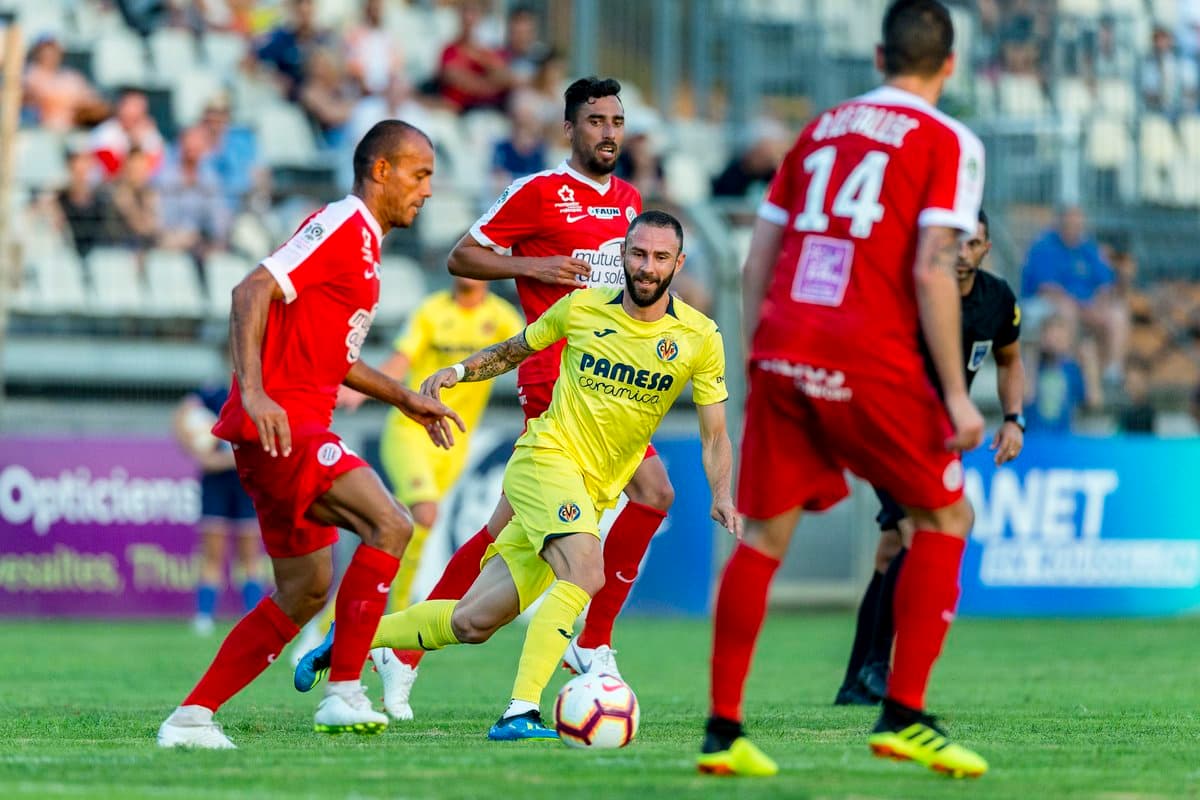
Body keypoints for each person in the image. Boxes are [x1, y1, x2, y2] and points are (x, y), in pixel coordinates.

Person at [296, 211, 736, 741]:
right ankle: (520, 712)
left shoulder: (700, 337)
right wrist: (457, 372)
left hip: (593, 489)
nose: (647, 267)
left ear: (678, 264)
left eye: (660, 258)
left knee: (473, 622)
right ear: (621, 254)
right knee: (584, 569)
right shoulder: (582, 307)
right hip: (545, 459)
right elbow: (515, 349)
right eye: (638, 254)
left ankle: (353, 638)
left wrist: (722, 493)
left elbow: (714, 434)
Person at [700, 0, 989, 778]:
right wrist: (958, 398)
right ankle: (904, 715)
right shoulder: (948, 139)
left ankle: (723, 732)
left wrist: (763, 354)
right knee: (947, 511)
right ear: (949, 65)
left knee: (764, 537)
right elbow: (932, 266)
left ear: (876, 55)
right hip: (867, 349)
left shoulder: (819, 128)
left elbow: (758, 255)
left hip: (783, 345)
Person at [332, 77, 673, 718]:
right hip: (556, 384)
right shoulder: (539, 193)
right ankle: (592, 643)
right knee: (654, 492)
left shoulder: (630, 202)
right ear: (569, 129)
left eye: (616, 121)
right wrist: (534, 267)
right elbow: (463, 255)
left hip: (610, 388)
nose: (608, 132)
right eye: (595, 120)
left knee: (497, 532)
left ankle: (397, 650)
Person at [155, 120, 464, 750]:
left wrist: (405, 396)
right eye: (420, 173)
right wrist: (255, 390)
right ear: (381, 170)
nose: (428, 190)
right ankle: (345, 691)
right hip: (285, 423)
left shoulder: (368, 246)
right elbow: (251, 290)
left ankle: (191, 717)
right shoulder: (342, 223)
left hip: (286, 427)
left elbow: (331, 356)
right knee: (392, 524)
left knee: (305, 589)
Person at [836, 209, 1025, 706]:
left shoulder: (997, 299)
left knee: (892, 549)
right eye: (957, 242)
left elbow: (1010, 360)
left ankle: (858, 675)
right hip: (890, 428)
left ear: (985, 250)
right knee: (914, 532)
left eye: (974, 245)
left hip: (939, 439)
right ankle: (880, 668)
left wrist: (1014, 418)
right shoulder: (913, 291)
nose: (963, 253)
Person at [335, 276, 523, 720]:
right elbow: (402, 358)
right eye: (459, 262)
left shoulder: (500, 317)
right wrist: (362, 390)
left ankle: (354, 623)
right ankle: (396, 622)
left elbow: (529, 348)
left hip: (452, 441)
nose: (466, 272)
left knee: (405, 527)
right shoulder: (432, 310)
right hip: (410, 430)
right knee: (424, 513)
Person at [173, 377, 265, 636]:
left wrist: (225, 460)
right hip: (216, 486)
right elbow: (181, 415)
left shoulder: (258, 393)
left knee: (249, 555)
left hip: (246, 483)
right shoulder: (211, 394)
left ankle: (254, 617)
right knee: (212, 553)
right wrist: (196, 451)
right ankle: (203, 617)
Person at [1021, 206, 1128, 389]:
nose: (1075, 228)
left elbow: (1106, 284)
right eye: (1070, 223)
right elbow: (1047, 288)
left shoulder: (1087, 247)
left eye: (1078, 224)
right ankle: (1068, 369)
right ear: (1060, 223)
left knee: (1117, 313)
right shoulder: (1044, 246)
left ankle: (1112, 373)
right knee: (1066, 310)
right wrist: (1083, 307)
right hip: (1042, 305)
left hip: (1085, 306)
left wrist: (1099, 304)